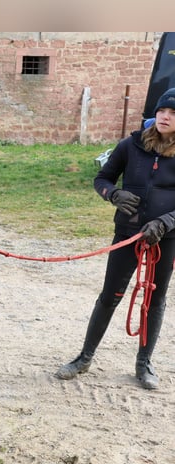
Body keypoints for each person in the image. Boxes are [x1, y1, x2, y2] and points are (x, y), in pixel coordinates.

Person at [55, 87, 175, 389]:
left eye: (173, 114)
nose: (165, 116)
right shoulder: (130, 146)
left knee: (155, 300)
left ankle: (144, 364)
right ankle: (84, 358)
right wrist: (114, 194)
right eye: (162, 110)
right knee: (110, 296)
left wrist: (164, 222)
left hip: (166, 238)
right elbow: (102, 179)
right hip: (127, 233)